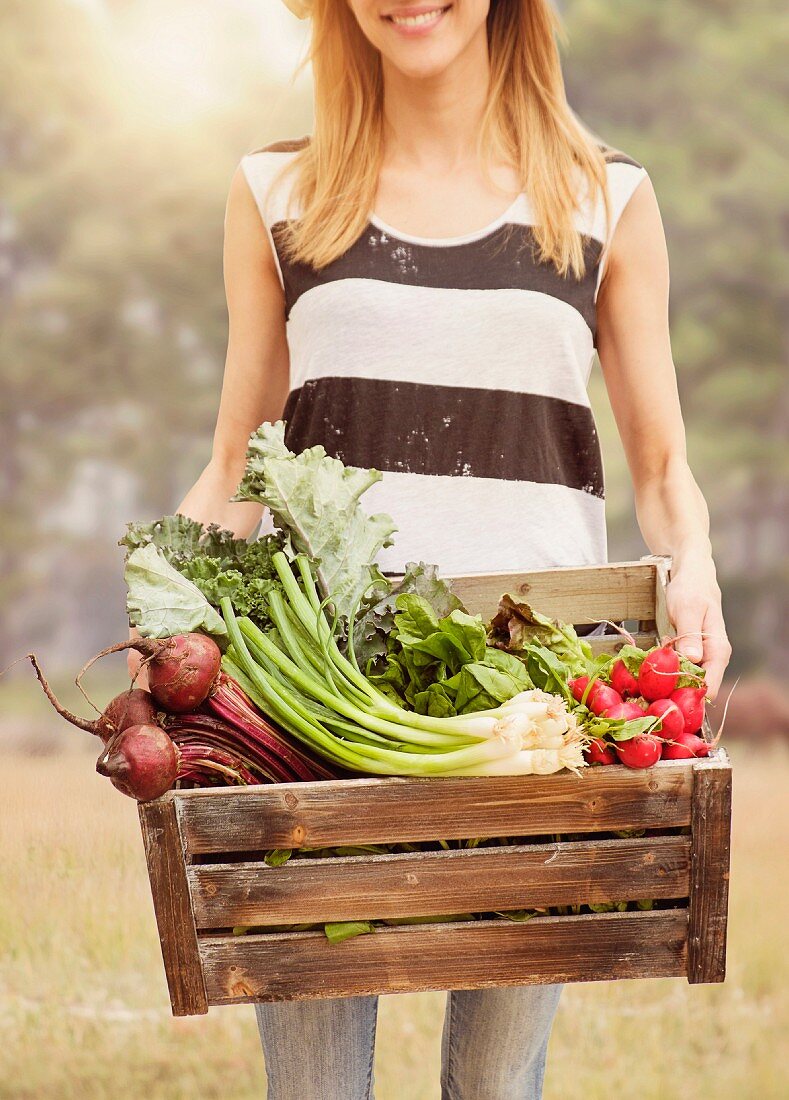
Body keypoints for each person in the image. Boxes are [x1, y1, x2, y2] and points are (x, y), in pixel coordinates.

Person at [131, 1, 731, 1096]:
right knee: (314, 1086)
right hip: (326, 703)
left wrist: (693, 564)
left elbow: (659, 465)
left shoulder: (607, 196)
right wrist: (164, 607)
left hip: (535, 703)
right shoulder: (279, 193)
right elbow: (235, 461)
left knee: (499, 1084)